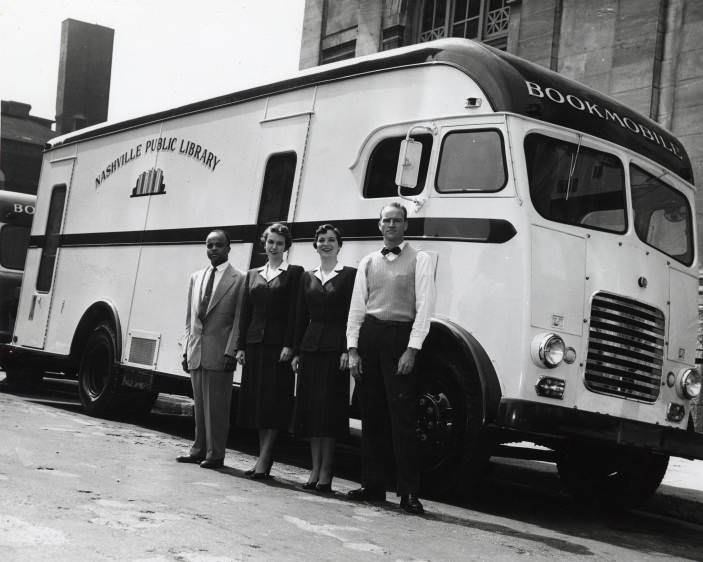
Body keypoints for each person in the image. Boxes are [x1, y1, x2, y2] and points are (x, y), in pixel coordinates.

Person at [346, 202, 436, 515]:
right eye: (387, 221)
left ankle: (409, 493)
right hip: (371, 336)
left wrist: (412, 349)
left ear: (405, 226)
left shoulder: (420, 259)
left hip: (400, 338)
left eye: (397, 221)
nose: (391, 226)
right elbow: (357, 308)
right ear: (379, 225)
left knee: (403, 421)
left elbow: (424, 308)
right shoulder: (368, 261)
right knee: (372, 416)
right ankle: (372, 485)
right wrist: (353, 348)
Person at [291, 224, 356, 494]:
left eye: (331, 240)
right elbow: (298, 317)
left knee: (329, 413)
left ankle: (327, 472)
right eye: (321, 240)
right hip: (310, 350)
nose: (326, 244)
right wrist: (295, 351)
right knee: (311, 412)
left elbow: (353, 316)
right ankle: (314, 469)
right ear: (315, 246)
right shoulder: (307, 277)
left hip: (335, 352)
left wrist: (347, 349)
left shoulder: (350, 276)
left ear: (340, 246)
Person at [236, 223, 303, 479]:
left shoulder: (294, 273)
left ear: (286, 246)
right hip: (254, 346)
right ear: (264, 244)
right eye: (270, 242)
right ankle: (261, 457)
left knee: (274, 404)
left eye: (279, 243)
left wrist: (290, 345)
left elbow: (296, 313)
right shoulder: (253, 274)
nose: (274, 246)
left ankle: (265, 461)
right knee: (258, 404)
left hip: (279, 349)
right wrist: (241, 346)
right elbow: (246, 313)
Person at [178, 229, 245, 469]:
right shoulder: (196, 277)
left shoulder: (239, 278)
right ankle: (198, 449)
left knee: (217, 407)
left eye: (218, 245)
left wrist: (232, 351)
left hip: (220, 352)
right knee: (200, 405)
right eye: (209, 245)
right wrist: (186, 348)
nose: (213, 249)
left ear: (228, 248)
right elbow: (190, 318)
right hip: (196, 349)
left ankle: (216, 454)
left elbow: (238, 319)